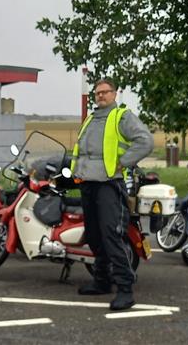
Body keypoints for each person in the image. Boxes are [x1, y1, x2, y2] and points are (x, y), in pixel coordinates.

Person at [70, 79, 154, 311]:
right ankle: (102, 281)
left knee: (112, 236)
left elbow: (146, 141)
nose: (100, 96)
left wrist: (122, 163)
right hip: (88, 184)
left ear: (114, 94)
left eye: (105, 92)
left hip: (109, 184)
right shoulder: (90, 119)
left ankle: (126, 290)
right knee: (95, 237)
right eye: (97, 93)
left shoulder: (121, 116)